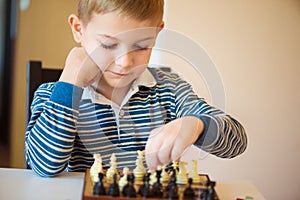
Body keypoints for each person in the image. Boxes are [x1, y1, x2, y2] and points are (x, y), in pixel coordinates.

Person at [25, 0, 247, 177]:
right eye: (108, 45)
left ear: (157, 33)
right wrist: (70, 80)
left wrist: (197, 124)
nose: (125, 62)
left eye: (141, 46)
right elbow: (44, 167)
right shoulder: (52, 95)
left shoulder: (169, 89)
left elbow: (237, 143)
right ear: (78, 29)